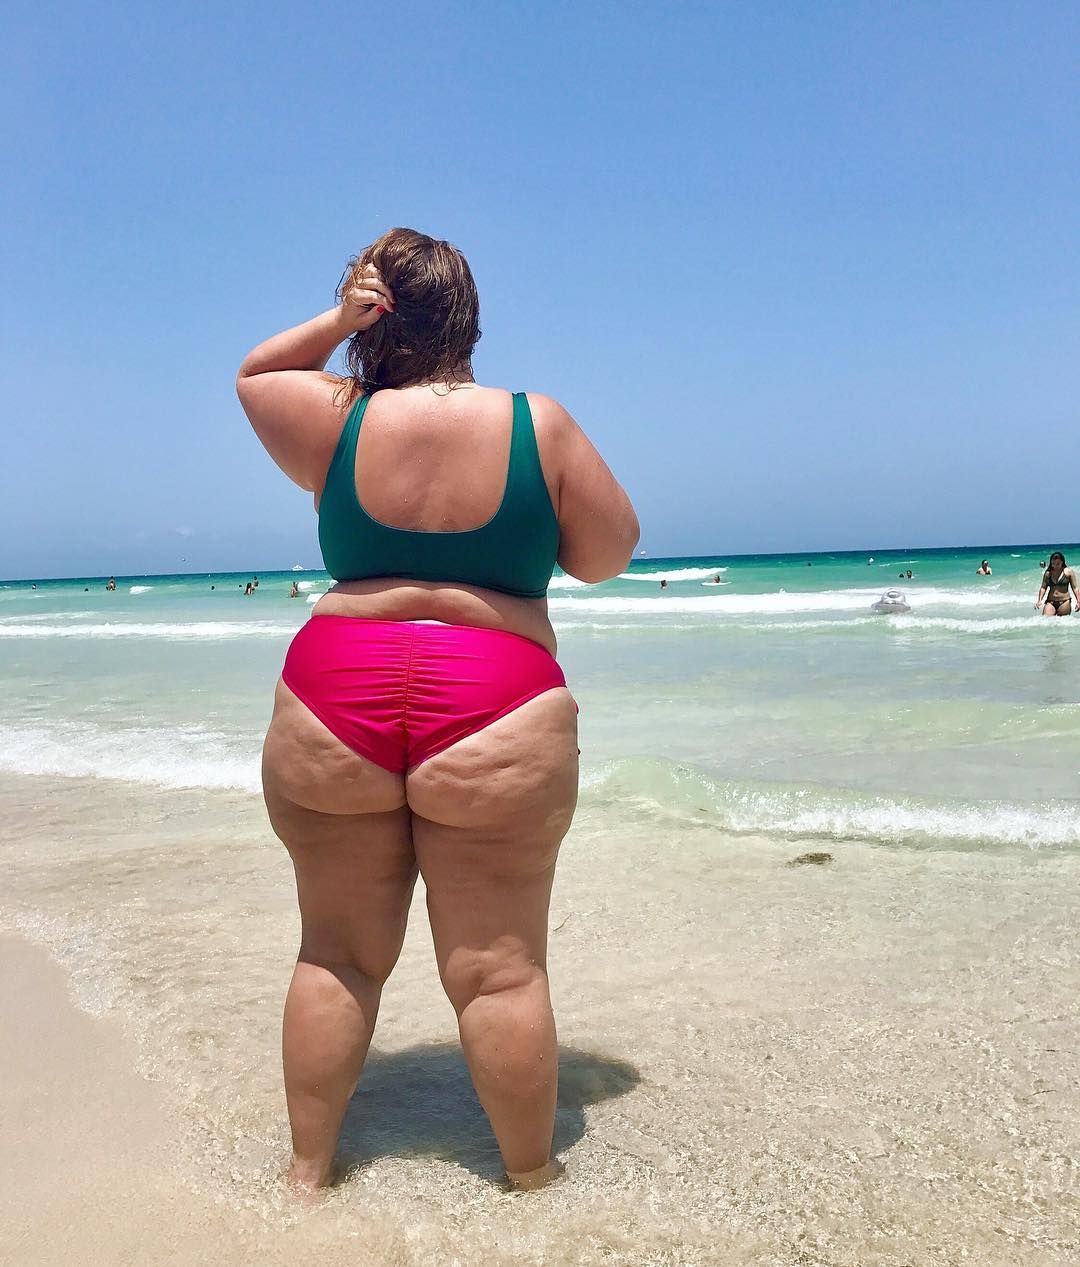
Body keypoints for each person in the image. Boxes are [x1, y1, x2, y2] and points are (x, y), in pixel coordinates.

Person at [236, 227, 639, 1194]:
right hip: (497, 699)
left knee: (335, 956)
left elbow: (256, 376)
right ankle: (532, 1181)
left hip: (334, 692)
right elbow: (608, 553)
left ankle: (305, 1179)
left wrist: (337, 322)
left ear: (376, 313)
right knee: (502, 970)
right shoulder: (537, 425)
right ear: (469, 315)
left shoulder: (336, 417)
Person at [1035, 552, 1080, 616]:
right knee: (1045, 620)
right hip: (1050, 602)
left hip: (1064, 602)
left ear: (1062, 562)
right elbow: (1043, 587)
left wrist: (1078, 601)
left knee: (1063, 621)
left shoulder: (1068, 572)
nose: (1055, 566)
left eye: (1058, 564)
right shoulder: (1048, 573)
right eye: (1053, 563)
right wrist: (1039, 600)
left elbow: (1075, 588)